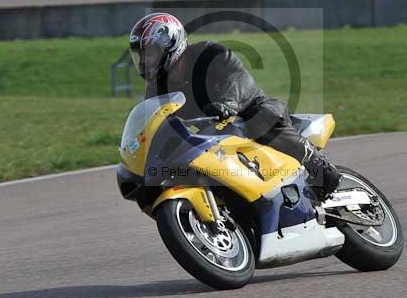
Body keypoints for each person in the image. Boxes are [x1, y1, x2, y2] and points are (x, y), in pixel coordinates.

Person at [128, 12, 341, 197]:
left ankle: (316, 164)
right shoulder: (157, 89)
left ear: (169, 43)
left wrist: (227, 103)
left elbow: (238, 78)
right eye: (141, 56)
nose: (145, 61)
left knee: (259, 120)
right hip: (218, 132)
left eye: (150, 53)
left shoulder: (207, 54)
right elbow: (155, 120)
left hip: (251, 108)